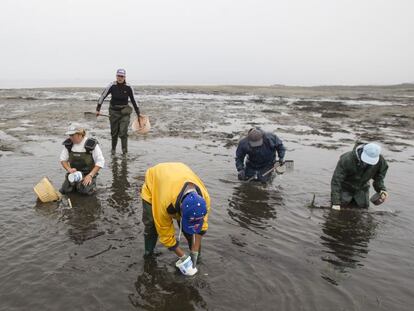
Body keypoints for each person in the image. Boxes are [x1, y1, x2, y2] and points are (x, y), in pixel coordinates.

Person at [141, 162, 211, 272]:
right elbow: (164, 231)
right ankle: (148, 254)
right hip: (154, 184)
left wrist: (195, 251)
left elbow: (202, 226)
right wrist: (182, 257)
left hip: (178, 175)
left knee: (190, 231)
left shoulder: (204, 200)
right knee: (152, 225)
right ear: (180, 211)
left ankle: (197, 258)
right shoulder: (164, 202)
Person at [331, 142, 388, 210]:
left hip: (362, 189)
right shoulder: (346, 159)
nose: (368, 162)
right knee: (338, 209)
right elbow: (336, 181)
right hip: (345, 188)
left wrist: (381, 189)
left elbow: (379, 178)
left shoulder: (381, 161)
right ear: (362, 151)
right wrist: (336, 203)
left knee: (363, 209)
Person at [96, 69, 140, 154]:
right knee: (114, 133)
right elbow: (103, 96)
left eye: (122, 76)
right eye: (118, 76)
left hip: (125, 112)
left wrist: (138, 113)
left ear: (124, 77)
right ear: (116, 76)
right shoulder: (112, 85)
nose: (120, 78)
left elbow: (134, 100)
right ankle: (113, 150)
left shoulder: (128, 87)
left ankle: (125, 152)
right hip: (113, 111)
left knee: (123, 132)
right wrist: (98, 109)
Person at [59, 125, 105, 195]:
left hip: (88, 173)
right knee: (65, 191)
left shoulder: (91, 144)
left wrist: (90, 175)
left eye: (72, 135)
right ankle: (76, 185)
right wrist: (69, 169)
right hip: (74, 173)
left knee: (85, 192)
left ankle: (91, 185)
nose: (70, 138)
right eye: (69, 135)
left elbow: (100, 162)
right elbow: (63, 160)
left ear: (80, 134)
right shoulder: (68, 144)